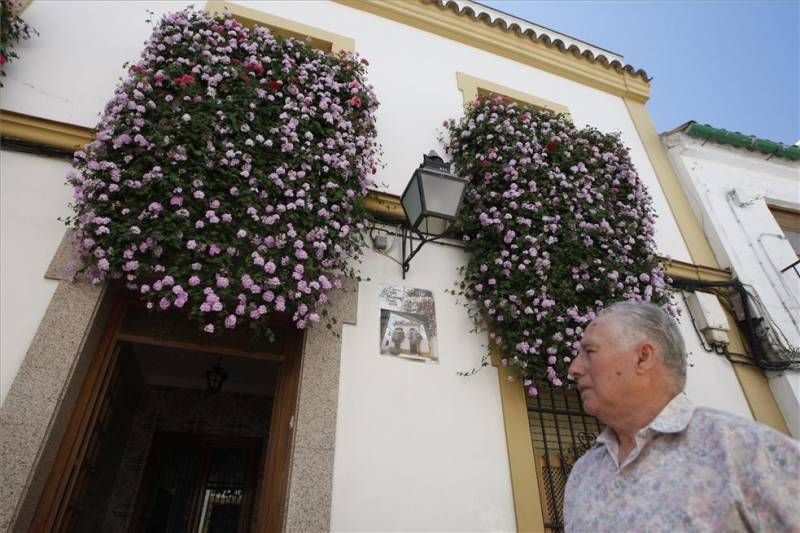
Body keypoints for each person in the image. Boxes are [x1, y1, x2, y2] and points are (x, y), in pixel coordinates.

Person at [564, 300, 800, 532]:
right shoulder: (583, 473)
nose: (573, 369)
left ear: (643, 357)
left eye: (590, 352)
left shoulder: (744, 449)